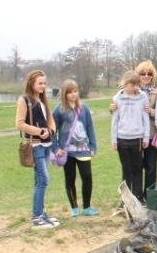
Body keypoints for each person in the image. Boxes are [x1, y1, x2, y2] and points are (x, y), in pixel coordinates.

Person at [109, 60, 157, 197]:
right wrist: (111, 108)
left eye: (149, 73)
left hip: (150, 135)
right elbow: (117, 114)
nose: (146, 76)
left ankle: (147, 197)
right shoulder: (122, 94)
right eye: (143, 73)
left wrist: (151, 111)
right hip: (129, 136)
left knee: (150, 168)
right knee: (129, 168)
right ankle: (128, 197)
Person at [15, 70, 59, 229]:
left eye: (44, 83)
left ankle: (40, 213)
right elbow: (19, 124)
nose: (43, 86)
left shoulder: (42, 99)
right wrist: (39, 131)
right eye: (40, 83)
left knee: (39, 181)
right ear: (31, 83)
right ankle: (36, 217)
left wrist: (51, 131)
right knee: (43, 180)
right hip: (35, 145)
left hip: (46, 145)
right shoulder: (24, 100)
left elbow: (51, 120)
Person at [52, 79, 98, 218]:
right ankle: (74, 207)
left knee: (87, 177)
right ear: (64, 94)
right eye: (70, 92)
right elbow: (52, 131)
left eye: (75, 91)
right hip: (67, 152)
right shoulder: (58, 110)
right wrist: (55, 148)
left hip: (83, 150)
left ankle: (87, 206)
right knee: (70, 179)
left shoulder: (84, 109)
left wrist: (93, 145)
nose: (73, 94)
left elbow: (90, 127)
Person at [111, 70, 150, 202]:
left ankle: (138, 197)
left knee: (137, 169)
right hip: (122, 139)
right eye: (131, 85)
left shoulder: (143, 97)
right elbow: (115, 120)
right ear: (125, 84)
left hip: (137, 139)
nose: (134, 88)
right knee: (126, 170)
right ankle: (125, 199)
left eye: (136, 85)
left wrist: (146, 137)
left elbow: (145, 118)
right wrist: (113, 140)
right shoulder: (117, 99)